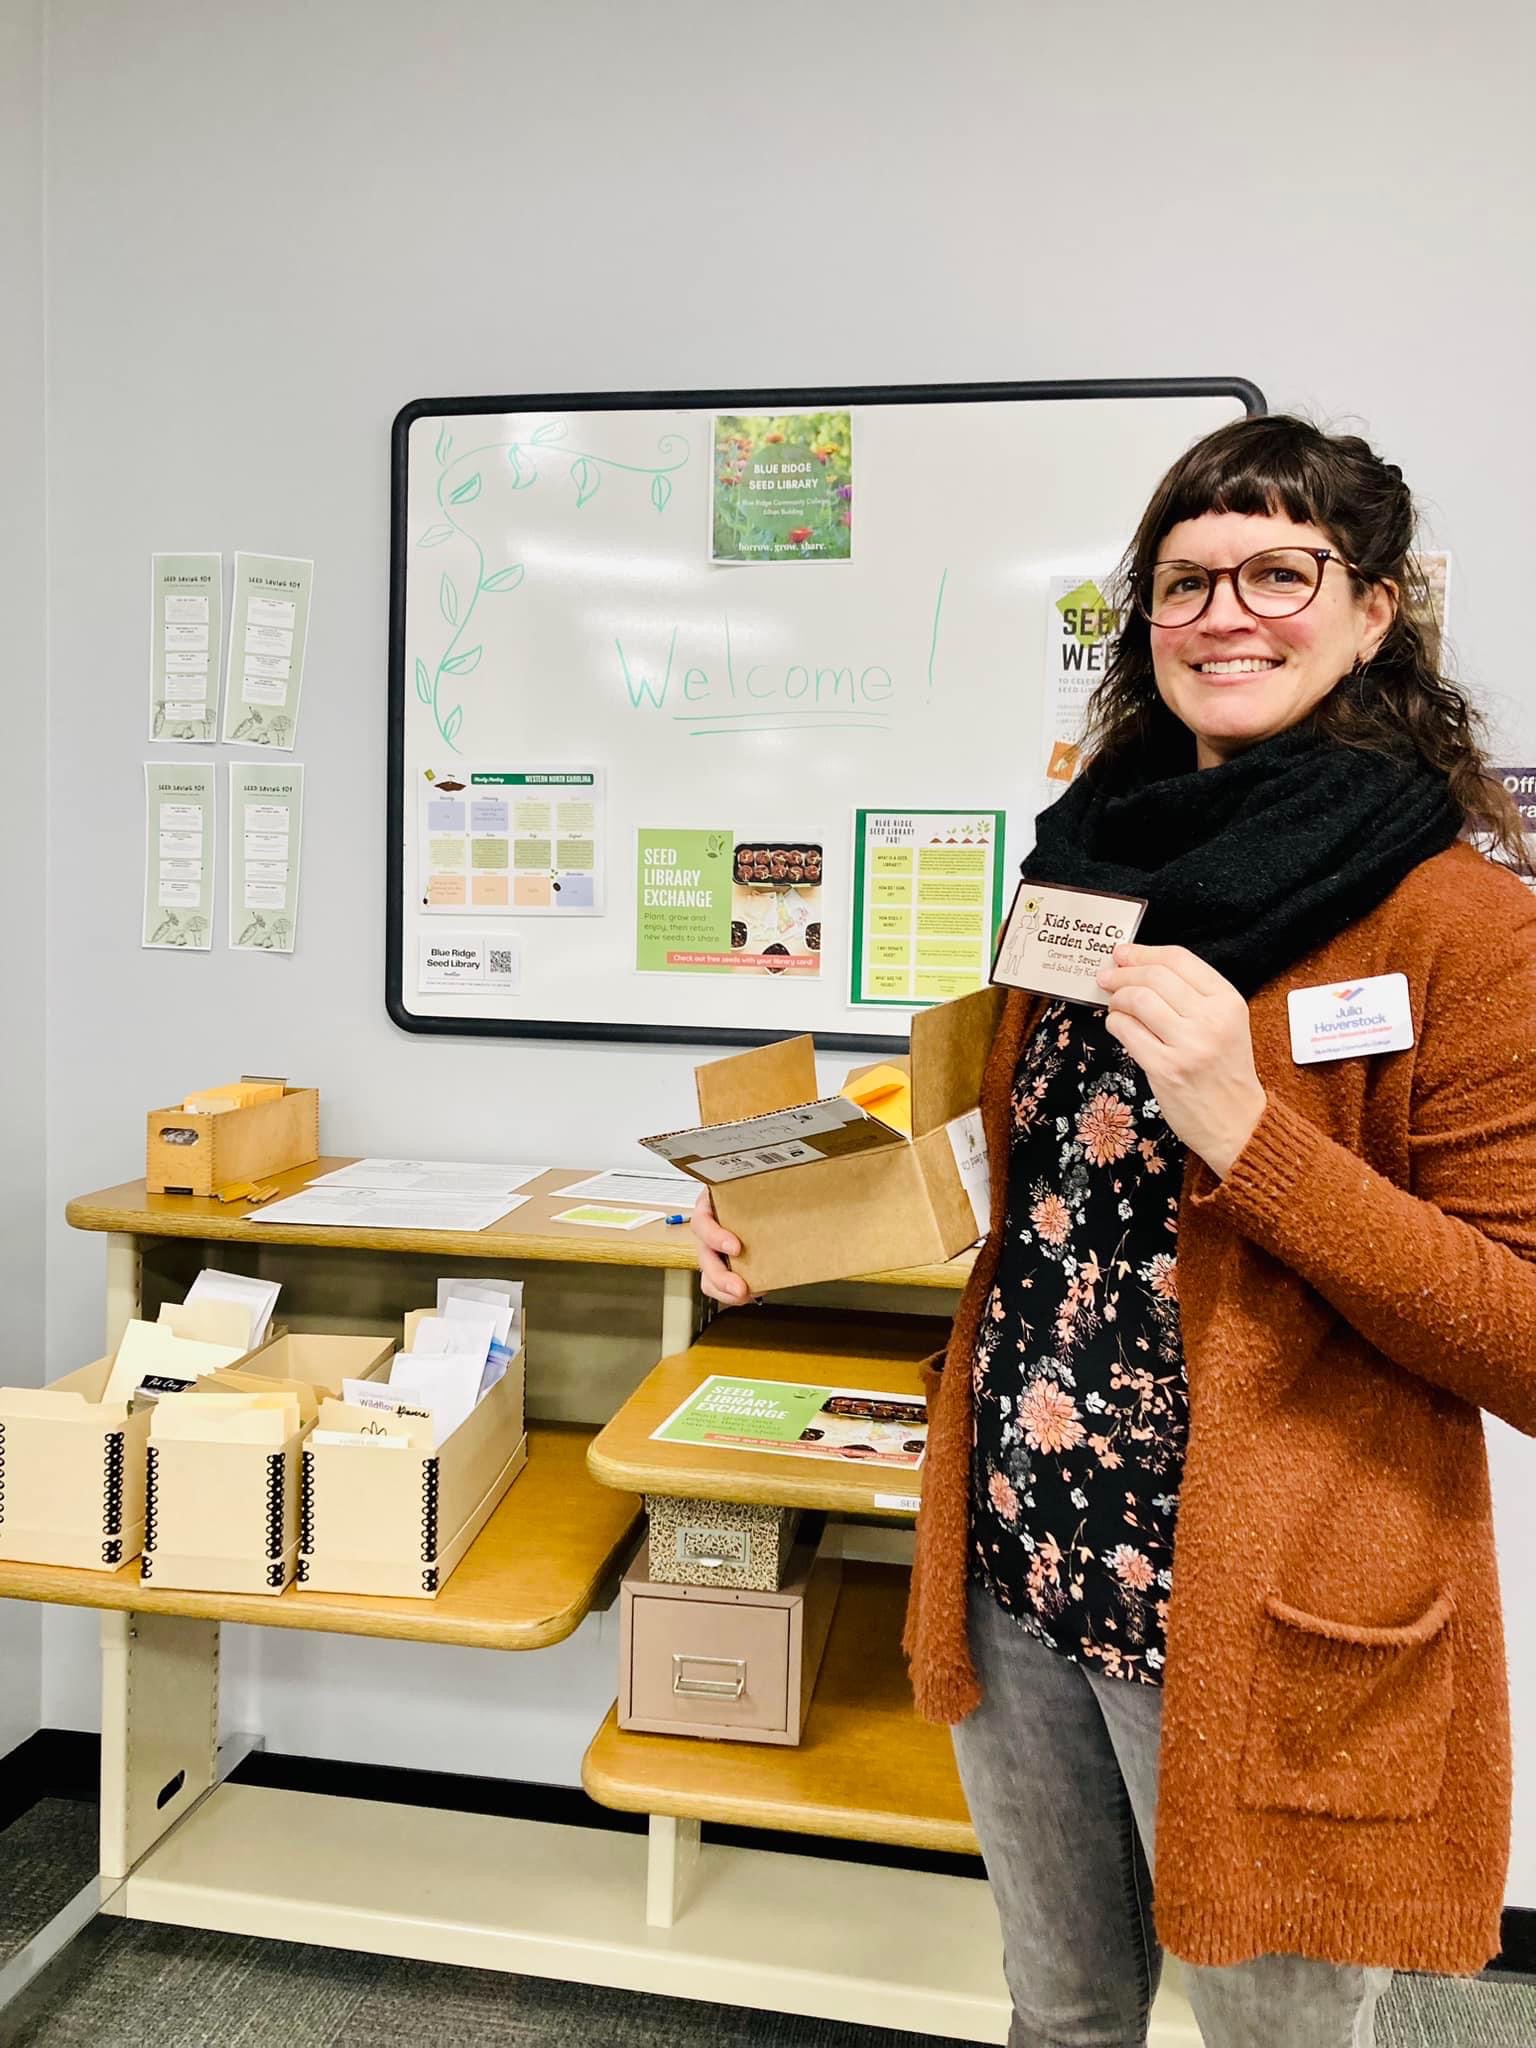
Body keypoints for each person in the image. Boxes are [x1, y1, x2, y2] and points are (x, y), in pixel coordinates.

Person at [691, 414, 1536, 2048]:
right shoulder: (1090, 864)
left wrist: (1250, 1130)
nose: (1227, 614)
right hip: (1023, 1549)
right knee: (1064, 2008)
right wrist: (794, 1227)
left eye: (1281, 570)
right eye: (1185, 581)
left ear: (1375, 613)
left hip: (1260, 1605)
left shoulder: (1464, 924)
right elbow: (1048, 1187)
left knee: (1272, 2035)